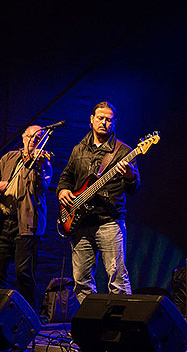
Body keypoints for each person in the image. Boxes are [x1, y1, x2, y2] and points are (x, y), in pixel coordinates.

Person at [56, 101, 139, 304]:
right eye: (100, 118)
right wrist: (63, 191)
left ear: (114, 122)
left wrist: (129, 175)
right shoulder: (78, 149)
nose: (104, 122)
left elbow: (134, 188)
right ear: (91, 119)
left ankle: (122, 327)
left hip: (109, 221)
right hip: (81, 223)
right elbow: (66, 176)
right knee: (81, 281)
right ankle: (90, 327)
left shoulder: (123, 151)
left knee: (117, 280)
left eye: (108, 119)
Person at [0, 125, 53, 311]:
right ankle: (2, 311)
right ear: (24, 138)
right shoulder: (9, 157)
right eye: (31, 137)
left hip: (27, 224)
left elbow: (40, 188)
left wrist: (37, 167)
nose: (33, 141)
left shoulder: (43, 162)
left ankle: (29, 316)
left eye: (38, 138)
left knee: (24, 273)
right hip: (4, 222)